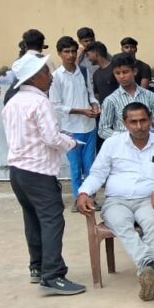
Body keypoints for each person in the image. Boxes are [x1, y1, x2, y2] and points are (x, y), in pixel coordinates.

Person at [77, 102, 154, 301]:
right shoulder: (112, 144)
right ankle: (152, 265)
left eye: (143, 121)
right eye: (134, 122)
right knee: (121, 223)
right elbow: (97, 173)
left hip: (148, 199)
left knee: (153, 222)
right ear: (125, 123)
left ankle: (147, 274)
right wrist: (84, 192)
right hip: (117, 200)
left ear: (150, 120)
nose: (139, 126)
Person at [2, 52, 84, 295]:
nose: (51, 76)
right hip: (38, 171)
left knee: (33, 218)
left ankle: (37, 267)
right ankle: (53, 275)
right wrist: (70, 142)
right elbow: (51, 138)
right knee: (52, 220)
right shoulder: (40, 102)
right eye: (47, 72)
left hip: (18, 171)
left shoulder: (13, 102)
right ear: (34, 77)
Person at [50, 36, 101, 211]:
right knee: (75, 166)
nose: (71, 55)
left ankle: (91, 198)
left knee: (90, 166)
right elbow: (56, 105)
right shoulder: (56, 77)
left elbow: (91, 94)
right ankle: (78, 198)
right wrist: (81, 111)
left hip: (89, 126)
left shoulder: (84, 72)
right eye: (66, 52)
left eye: (73, 51)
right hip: (70, 129)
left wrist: (94, 105)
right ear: (59, 53)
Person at [98, 53, 154, 140]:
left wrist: (152, 137)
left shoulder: (150, 96)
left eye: (125, 72)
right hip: (123, 145)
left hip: (148, 143)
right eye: (117, 73)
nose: (122, 76)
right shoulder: (111, 100)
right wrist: (126, 137)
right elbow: (103, 130)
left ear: (134, 71)